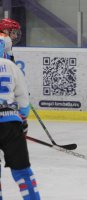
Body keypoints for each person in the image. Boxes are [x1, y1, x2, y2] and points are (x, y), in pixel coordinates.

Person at [0, 48, 41, 198]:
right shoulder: (10, 65)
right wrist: (22, 120)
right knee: (23, 172)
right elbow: (23, 101)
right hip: (11, 122)